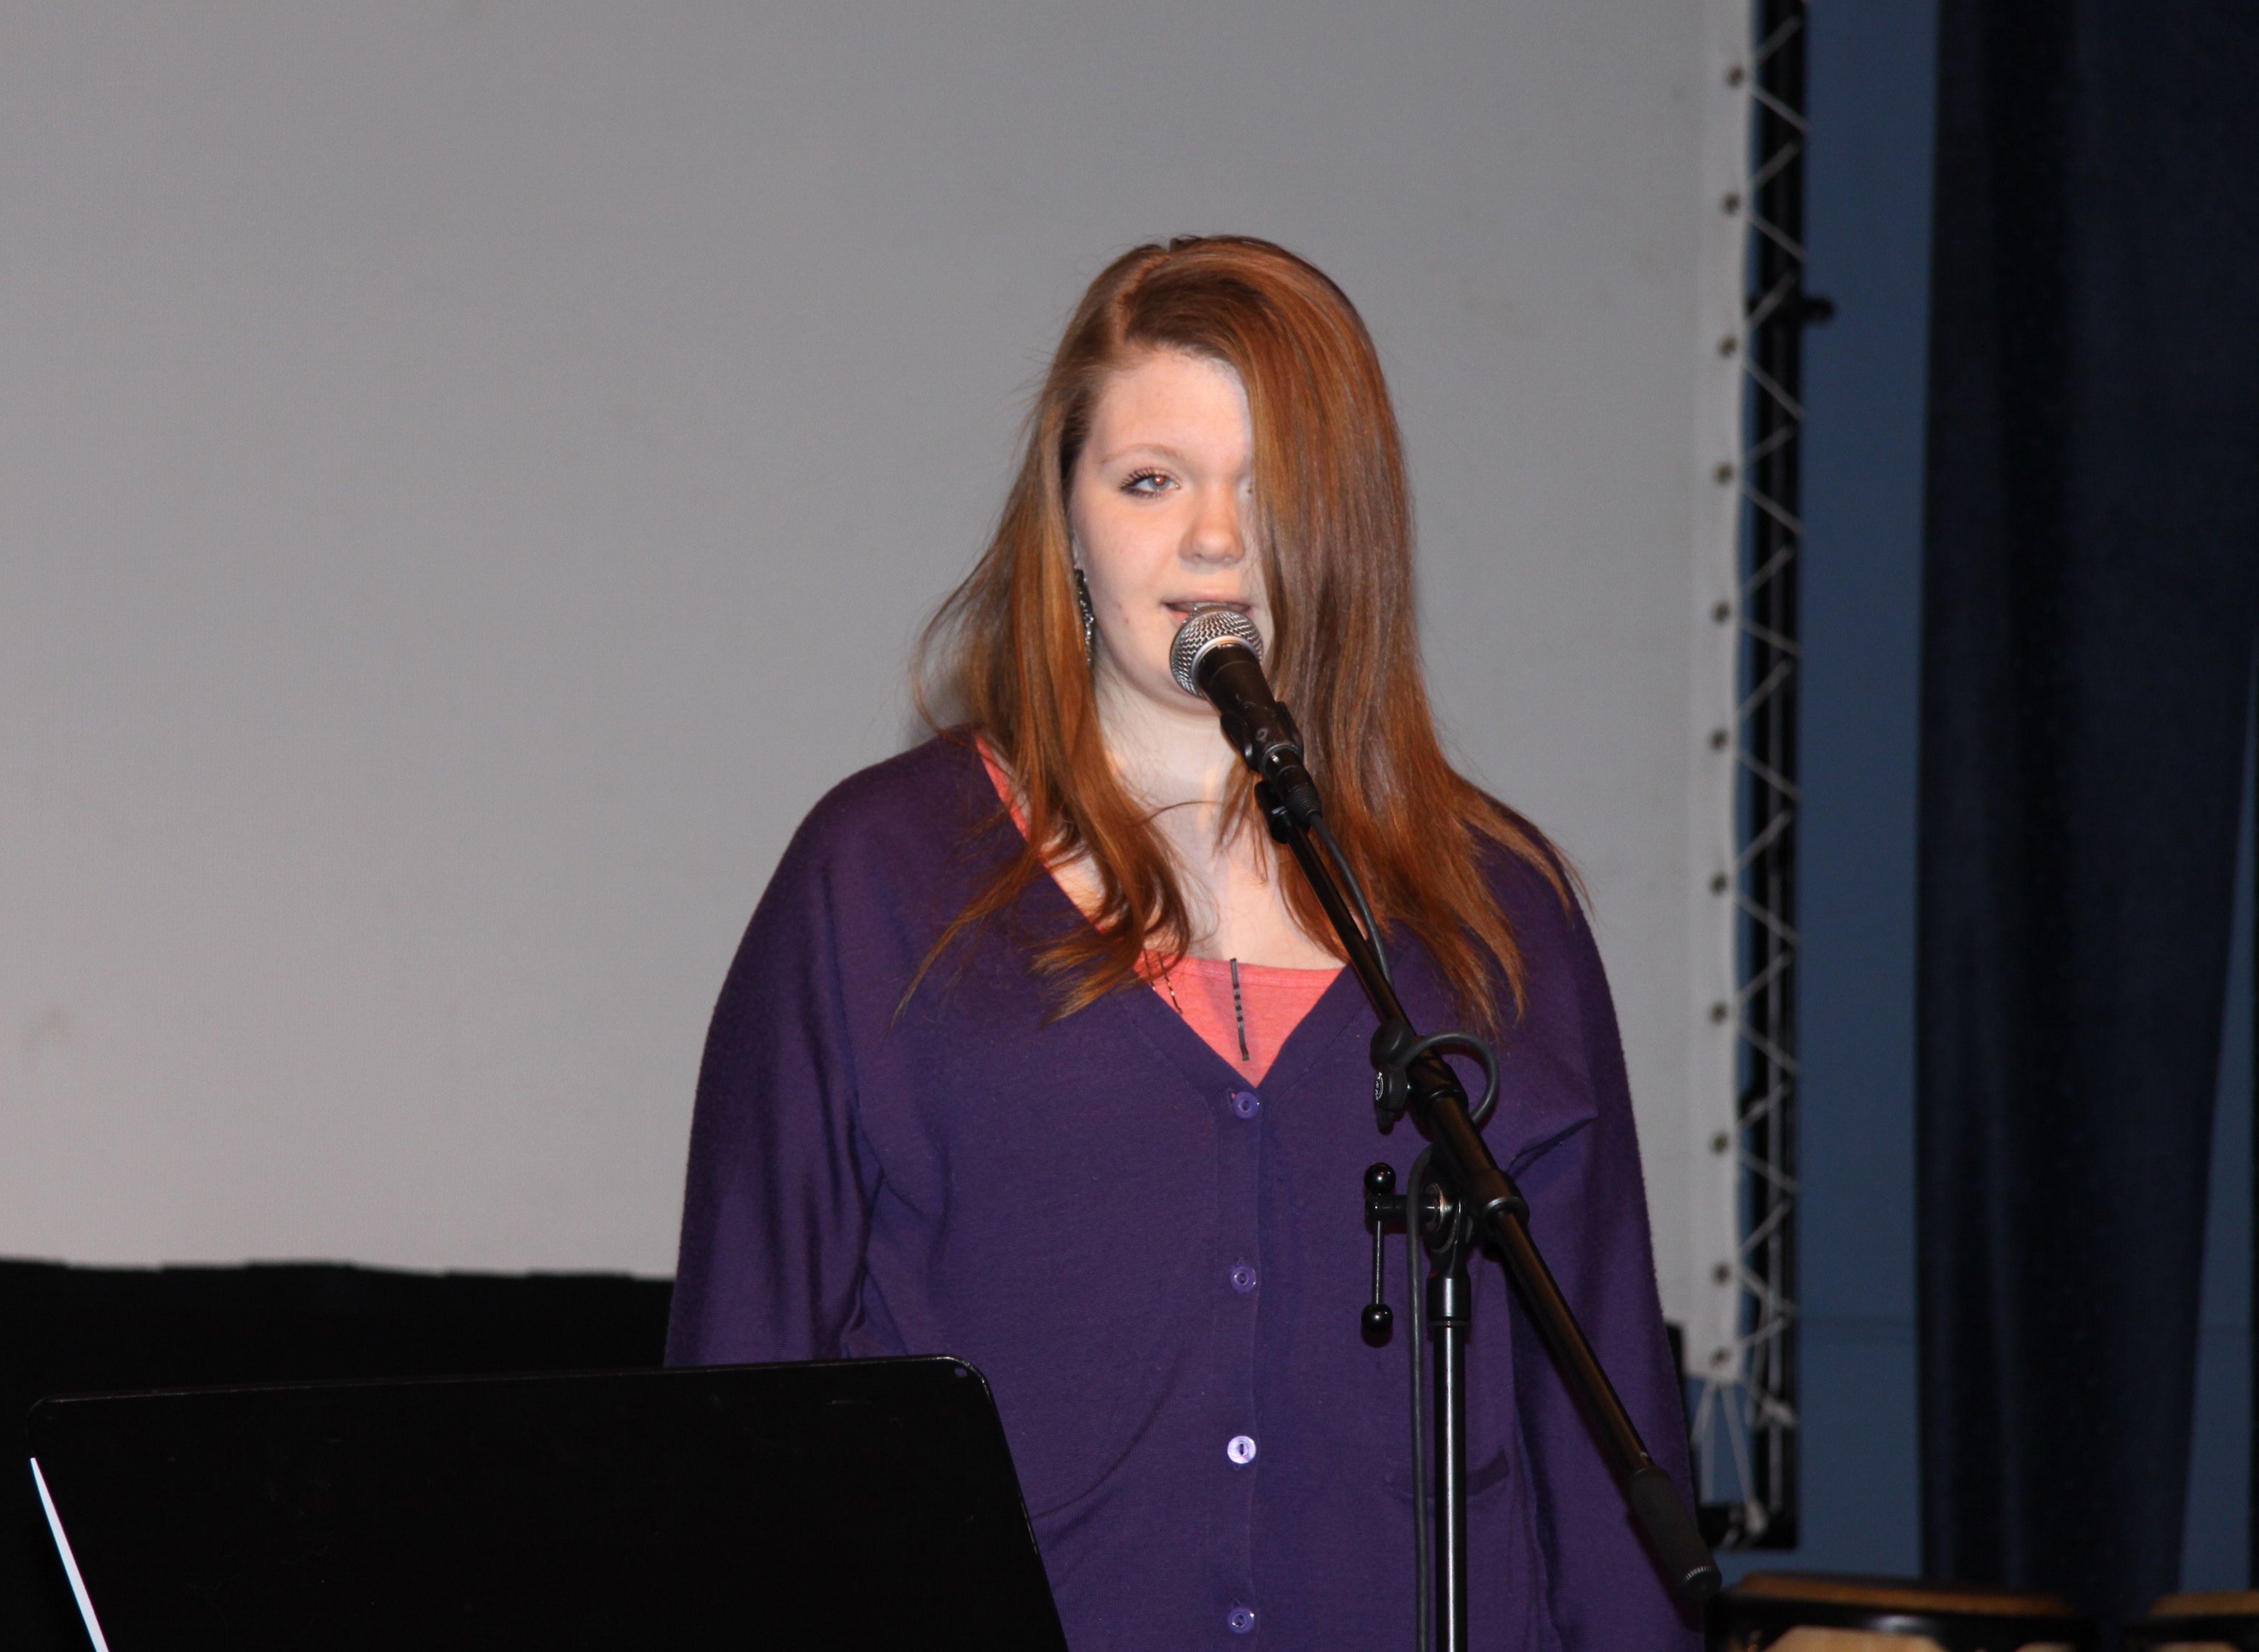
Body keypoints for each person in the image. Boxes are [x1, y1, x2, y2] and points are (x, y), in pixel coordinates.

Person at [665, 235, 1698, 1650]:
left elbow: (1601, 1440)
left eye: (1269, 488)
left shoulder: (1496, 911)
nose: (1212, 539)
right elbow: (737, 1403)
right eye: (1150, 480)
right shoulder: (880, 877)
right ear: (1066, 518)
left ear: (1348, 526)